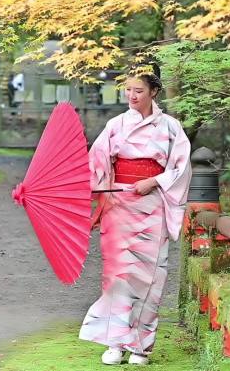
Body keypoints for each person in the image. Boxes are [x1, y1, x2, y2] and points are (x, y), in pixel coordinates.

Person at [79, 66, 192, 366]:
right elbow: (96, 163)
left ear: (154, 92)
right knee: (117, 274)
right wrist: (76, 189)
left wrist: (153, 181)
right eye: (128, 90)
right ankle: (115, 342)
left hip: (152, 204)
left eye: (138, 90)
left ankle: (141, 346)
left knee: (149, 276)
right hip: (118, 205)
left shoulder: (170, 127)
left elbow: (181, 167)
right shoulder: (116, 125)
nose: (131, 95)